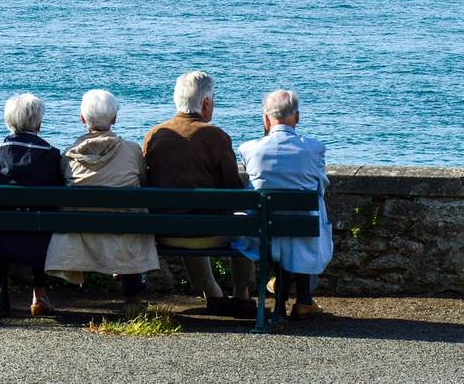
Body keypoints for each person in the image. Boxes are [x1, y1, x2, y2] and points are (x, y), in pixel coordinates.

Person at [143, 70, 255, 316]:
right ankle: (241, 295)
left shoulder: (154, 136)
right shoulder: (216, 136)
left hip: (166, 233)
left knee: (184, 214)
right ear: (205, 103)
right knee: (243, 220)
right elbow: (234, 191)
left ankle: (213, 294)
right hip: (209, 234)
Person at [45, 89, 160, 313]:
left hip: (80, 235)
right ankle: (133, 300)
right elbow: (144, 183)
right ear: (115, 119)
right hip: (126, 232)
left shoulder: (69, 155)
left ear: (82, 119)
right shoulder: (132, 151)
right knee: (130, 221)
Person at [238, 89, 333, 320]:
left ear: (266, 118)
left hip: (261, 233)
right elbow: (321, 187)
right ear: (297, 117)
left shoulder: (249, 149)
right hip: (302, 230)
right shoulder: (314, 148)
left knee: (282, 231)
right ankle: (303, 300)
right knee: (306, 219)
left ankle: (283, 302)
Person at [0, 93, 65, 318]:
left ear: (9, 121)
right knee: (42, 222)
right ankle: (39, 293)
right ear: (39, 123)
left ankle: (2, 291)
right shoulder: (51, 156)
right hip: (41, 241)